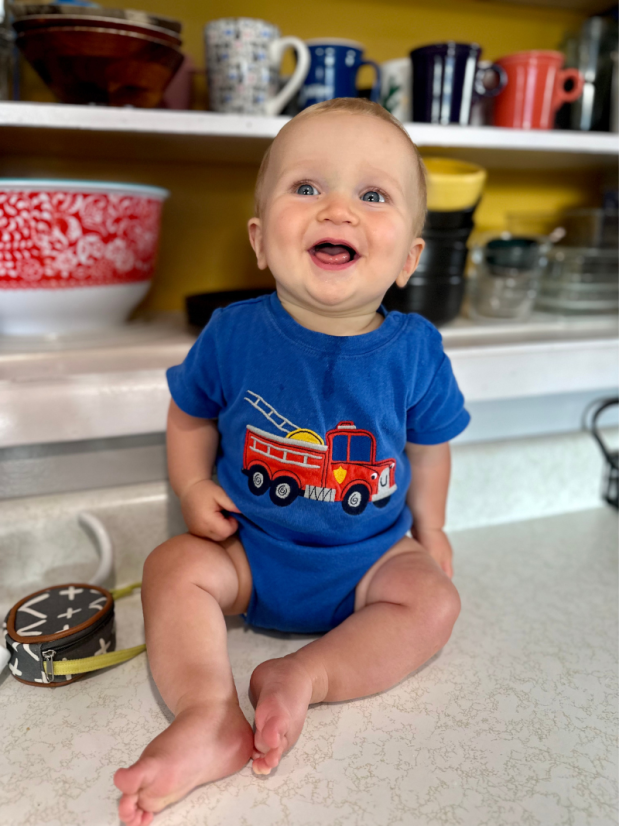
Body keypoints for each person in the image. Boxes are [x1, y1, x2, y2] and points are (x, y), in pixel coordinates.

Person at [114, 97, 470, 826]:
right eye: (306, 188)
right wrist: (190, 484)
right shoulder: (231, 332)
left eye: (372, 195)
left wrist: (429, 529)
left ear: (408, 258)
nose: (336, 209)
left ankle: (304, 674)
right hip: (250, 554)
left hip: (368, 562)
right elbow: (190, 412)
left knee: (434, 602)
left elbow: (429, 447)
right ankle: (209, 712)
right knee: (170, 567)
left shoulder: (415, 350)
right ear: (259, 238)